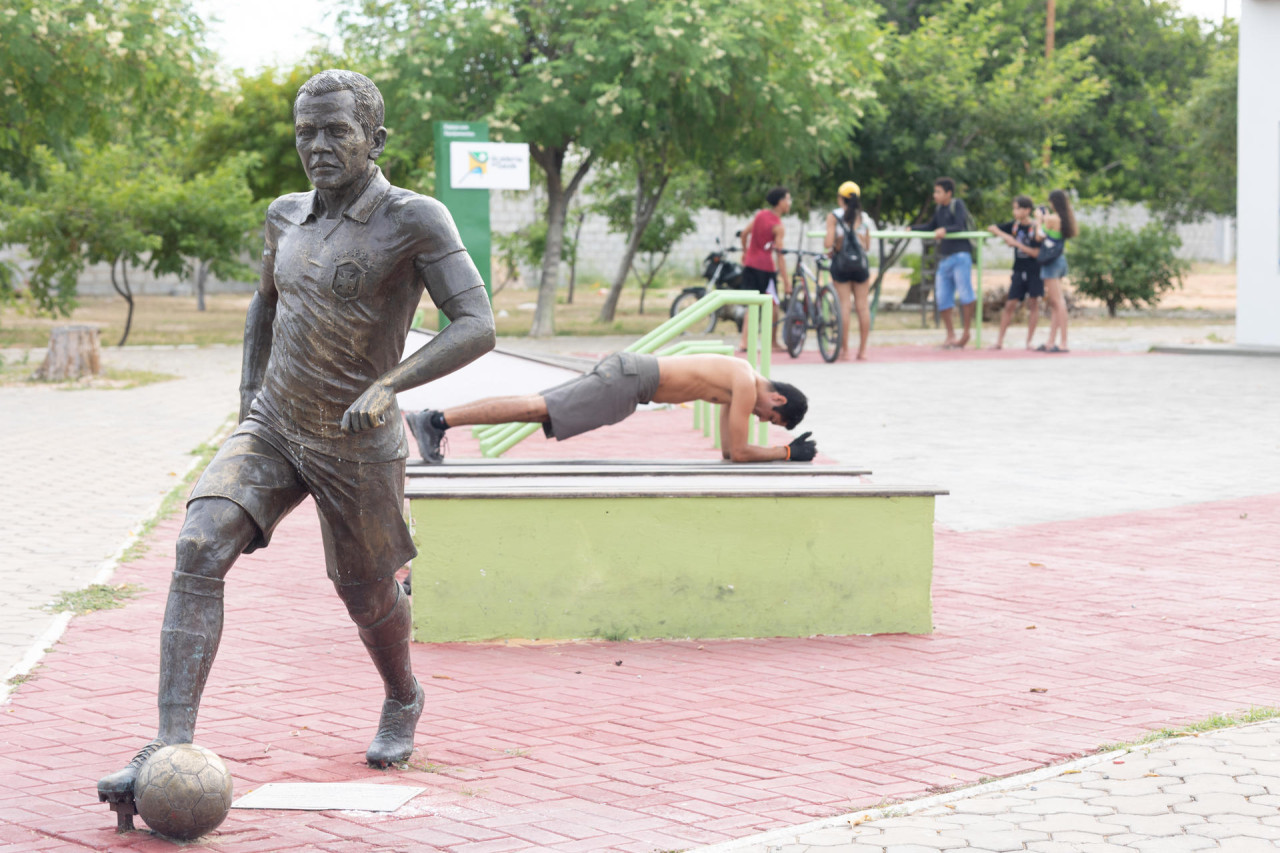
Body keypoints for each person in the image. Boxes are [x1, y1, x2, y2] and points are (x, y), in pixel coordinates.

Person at [97, 69, 497, 813]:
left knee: (367, 593)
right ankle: (168, 742)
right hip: (276, 426)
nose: (316, 146)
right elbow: (264, 305)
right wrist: (249, 399)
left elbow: (477, 323)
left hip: (359, 440)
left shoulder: (416, 219)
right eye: (304, 132)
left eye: (335, 130)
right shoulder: (284, 215)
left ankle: (402, 695)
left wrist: (391, 385)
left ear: (374, 138)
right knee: (196, 545)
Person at [405, 352, 815, 464]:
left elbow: (730, 452)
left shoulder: (737, 381)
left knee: (537, 408)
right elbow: (741, 453)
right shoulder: (745, 382)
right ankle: (435, 420)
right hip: (631, 380)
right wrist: (786, 453)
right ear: (777, 398)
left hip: (629, 379)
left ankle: (437, 419)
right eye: (769, 417)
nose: (761, 419)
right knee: (536, 408)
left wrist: (783, 451)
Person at [922, 177, 976, 349]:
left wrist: (944, 230)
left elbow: (959, 225)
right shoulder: (939, 209)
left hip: (960, 256)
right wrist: (912, 228)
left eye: (938, 191)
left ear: (948, 193)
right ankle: (950, 334)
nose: (935, 195)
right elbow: (931, 226)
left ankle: (966, 332)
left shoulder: (957, 204)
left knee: (965, 293)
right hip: (945, 258)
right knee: (942, 297)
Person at [823, 181, 873, 361]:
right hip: (860, 266)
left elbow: (828, 243)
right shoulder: (864, 218)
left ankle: (844, 351)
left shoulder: (834, 216)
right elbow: (867, 246)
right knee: (863, 306)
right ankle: (863, 351)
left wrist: (837, 241)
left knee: (844, 306)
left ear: (840, 198)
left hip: (841, 266)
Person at [987, 195, 1044, 350]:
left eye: (1017, 208)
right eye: (1014, 208)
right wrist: (1006, 237)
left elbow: (1036, 252)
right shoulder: (1014, 226)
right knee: (1010, 304)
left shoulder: (1035, 228)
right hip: (1018, 270)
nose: (1015, 211)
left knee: (1033, 304)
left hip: (1034, 271)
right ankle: (999, 341)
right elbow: (993, 228)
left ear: (1027, 210)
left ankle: (1029, 341)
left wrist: (1017, 244)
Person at [739, 187, 791, 351]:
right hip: (766, 268)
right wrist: (787, 281)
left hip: (750, 265)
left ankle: (744, 342)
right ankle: (772, 342)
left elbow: (744, 234)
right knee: (773, 304)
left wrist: (745, 252)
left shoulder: (760, 215)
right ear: (781, 202)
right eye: (788, 200)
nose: (789, 203)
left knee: (752, 304)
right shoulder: (778, 226)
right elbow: (780, 256)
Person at [1034, 189, 1078, 353]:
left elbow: (1039, 236)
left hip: (1051, 263)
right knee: (1054, 303)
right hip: (1059, 261)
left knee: (1058, 302)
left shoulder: (1052, 218)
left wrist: (1039, 219)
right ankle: (1051, 341)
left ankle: (1063, 342)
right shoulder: (1064, 218)